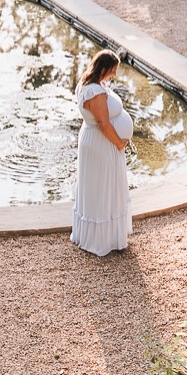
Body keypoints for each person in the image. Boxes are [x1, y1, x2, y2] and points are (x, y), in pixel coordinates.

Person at [71, 49, 134, 256]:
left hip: (96, 141)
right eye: (113, 70)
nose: (114, 75)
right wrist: (119, 143)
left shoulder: (90, 84)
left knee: (99, 187)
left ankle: (105, 236)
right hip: (102, 143)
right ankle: (102, 240)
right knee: (102, 188)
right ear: (104, 68)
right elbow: (104, 124)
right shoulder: (94, 91)